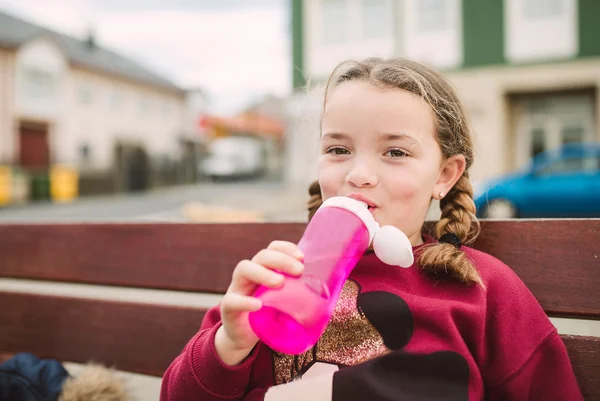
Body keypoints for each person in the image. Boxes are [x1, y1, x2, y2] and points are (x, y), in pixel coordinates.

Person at [159, 58, 583, 401]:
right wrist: (228, 344)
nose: (359, 174)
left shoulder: (483, 288)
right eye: (338, 149)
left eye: (395, 152)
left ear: (445, 175)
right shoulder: (276, 281)